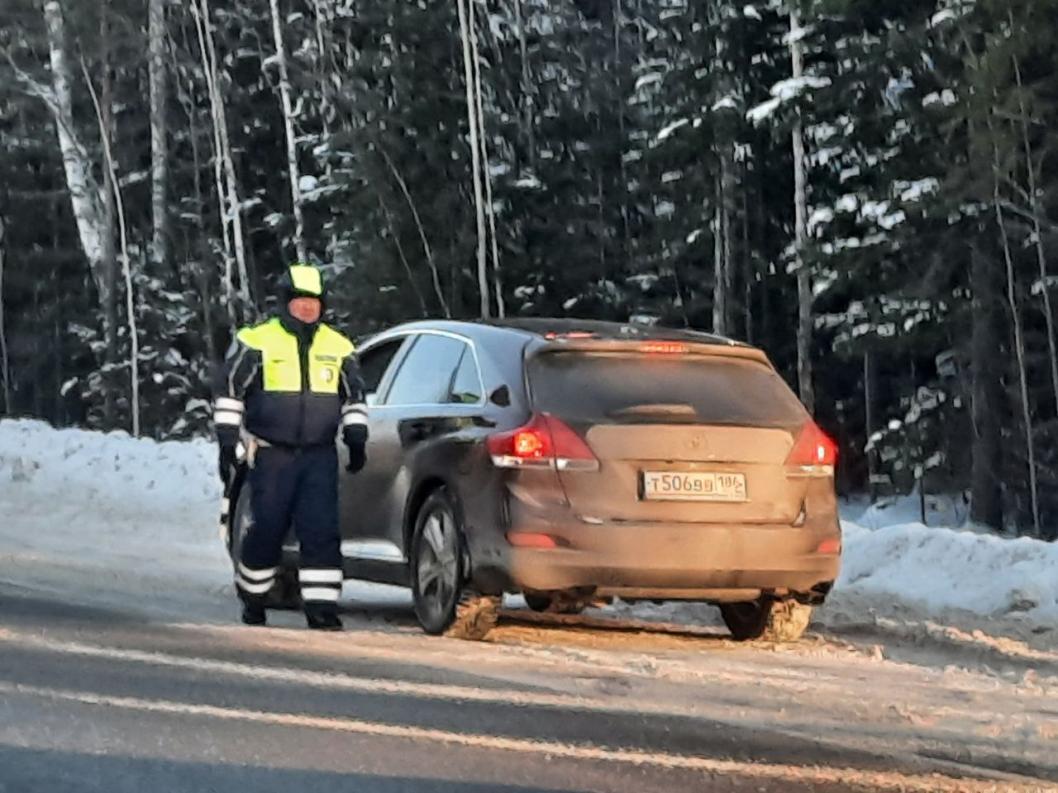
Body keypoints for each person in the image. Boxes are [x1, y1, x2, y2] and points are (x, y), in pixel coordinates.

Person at [213, 263, 368, 630]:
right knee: (267, 526)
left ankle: (322, 608)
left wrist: (356, 437)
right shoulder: (257, 341)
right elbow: (231, 393)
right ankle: (253, 596)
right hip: (271, 454)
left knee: (321, 530)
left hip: (319, 456)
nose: (307, 307)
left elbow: (354, 398)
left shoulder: (339, 346)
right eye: (299, 300)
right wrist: (228, 441)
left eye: (313, 301)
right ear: (285, 303)